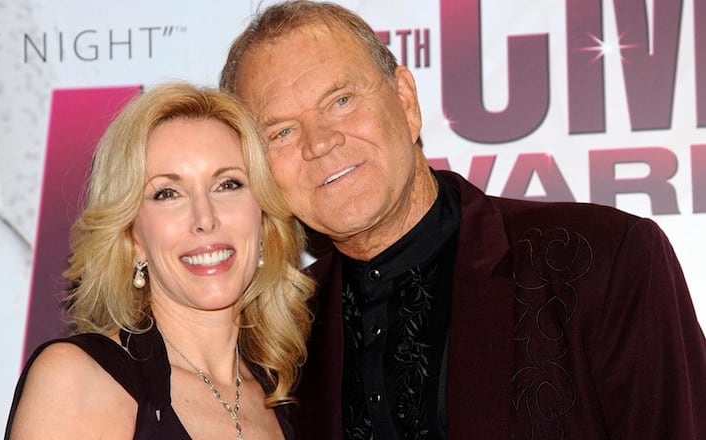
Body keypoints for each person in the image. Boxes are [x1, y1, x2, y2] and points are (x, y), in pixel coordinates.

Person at [220, 1, 706, 438]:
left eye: (341, 101)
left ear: (405, 100)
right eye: (281, 132)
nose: (320, 142)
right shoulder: (272, 339)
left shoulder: (605, 259)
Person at [5, 82, 315, 439]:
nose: (205, 218)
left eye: (228, 185)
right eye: (168, 193)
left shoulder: (291, 398)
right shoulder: (79, 380)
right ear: (132, 237)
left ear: (262, 219)